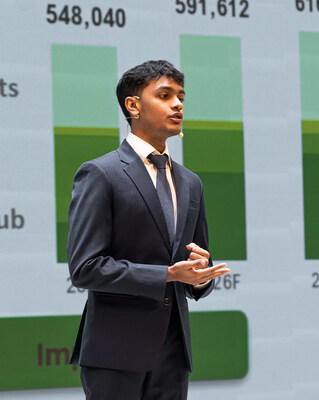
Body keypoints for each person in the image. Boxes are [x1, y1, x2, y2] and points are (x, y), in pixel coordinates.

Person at [67, 60, 230, 400]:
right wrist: (167, 275)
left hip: (173, 352)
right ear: (134, 105)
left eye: (181, 96)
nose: (178, 104)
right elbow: (85, 269)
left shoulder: (191, 182)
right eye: (165, 95)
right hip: (115, 354)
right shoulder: (100, 173)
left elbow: (193, 264)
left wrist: (201, 277)